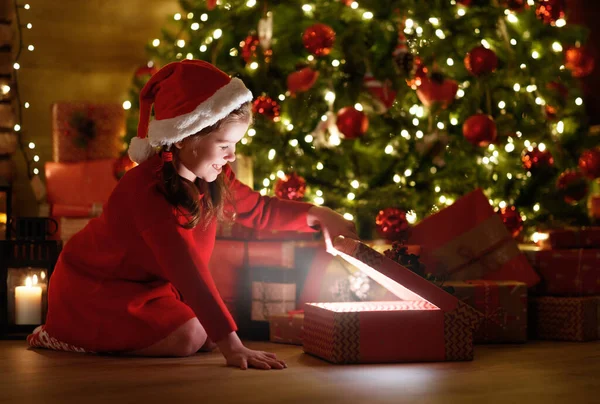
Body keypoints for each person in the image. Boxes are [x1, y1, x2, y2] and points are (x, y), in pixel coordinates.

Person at [27, 60, 358, 370]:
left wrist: (318, 214)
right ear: (187, 137)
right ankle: (66, 336)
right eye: (224, 144)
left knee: (198, 330)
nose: (231, 157)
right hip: (96, 290)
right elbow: (187, 271)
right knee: (190, 335)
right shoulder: (146, 191)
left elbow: (259, 210)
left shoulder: (211, 177)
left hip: (147, 290)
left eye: (236, 146)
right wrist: (233, 347)